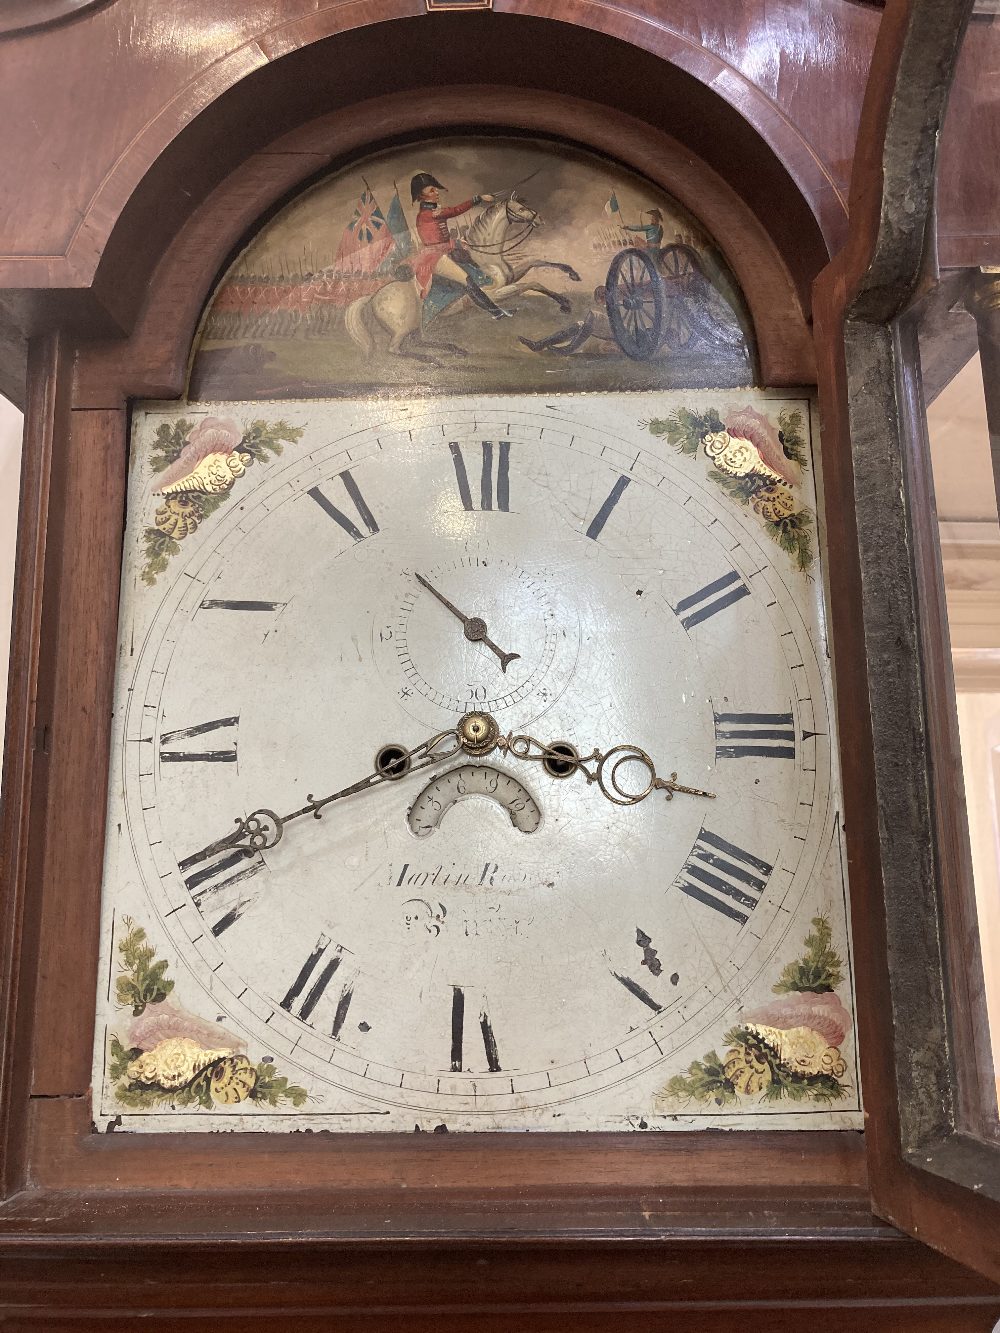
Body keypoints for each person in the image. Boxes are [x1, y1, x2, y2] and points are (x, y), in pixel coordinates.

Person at [409, 172, 513, 320]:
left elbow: (440, 236)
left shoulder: (433, 210)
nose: (436, 192)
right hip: (433, 257)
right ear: (421, 195)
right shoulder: (427, 214)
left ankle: (495, 309)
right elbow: (436, 241)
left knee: (474, 270)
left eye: (436, 189)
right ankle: (496, 313)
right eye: (432, 190)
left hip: (442, 252)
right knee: (468, 280)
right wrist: (479, 199)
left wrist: (456, 242)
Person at [518, 287, 617, 355]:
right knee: (580, 325)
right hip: (615, 329)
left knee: (593, 314)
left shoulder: (622, 295)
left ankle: (569, 349)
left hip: (622, 331)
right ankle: (538, 345)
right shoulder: (614, 297)